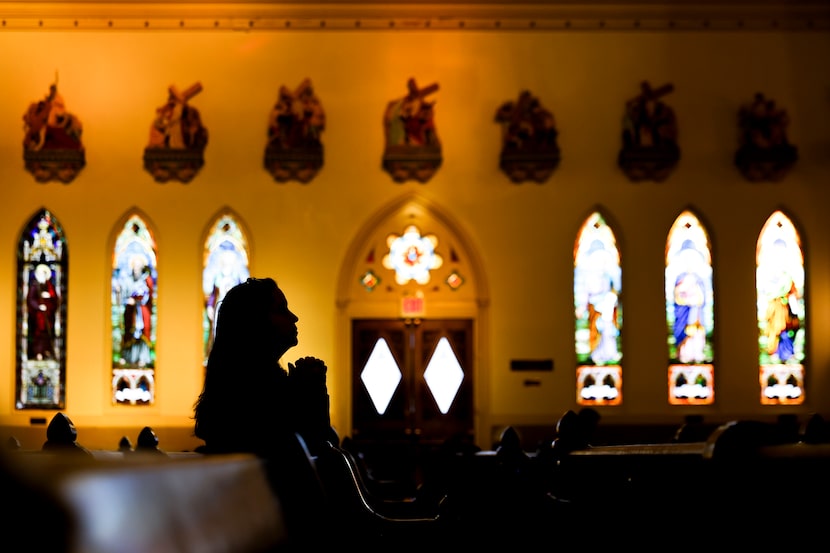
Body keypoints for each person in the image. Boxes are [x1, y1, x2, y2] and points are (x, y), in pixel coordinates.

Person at [193, 277, 333, 457]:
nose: (294, 317)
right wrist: (310, 391)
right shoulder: (245, 393)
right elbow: (315, 451)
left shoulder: (266, 383)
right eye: (282, 310)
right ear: (255, 322)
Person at [27, 263, 59, 360]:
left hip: (48, 315)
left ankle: (47, 351)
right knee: (38, 334)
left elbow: (55, 299)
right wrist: (39, 306)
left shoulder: (49, 286)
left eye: (44, 274)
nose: (43, 276)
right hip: (38, 316)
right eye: (41, 274)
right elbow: (30, 299)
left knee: (47, 334)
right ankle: (38, 352)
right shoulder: (34, 286)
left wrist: (49, 297)